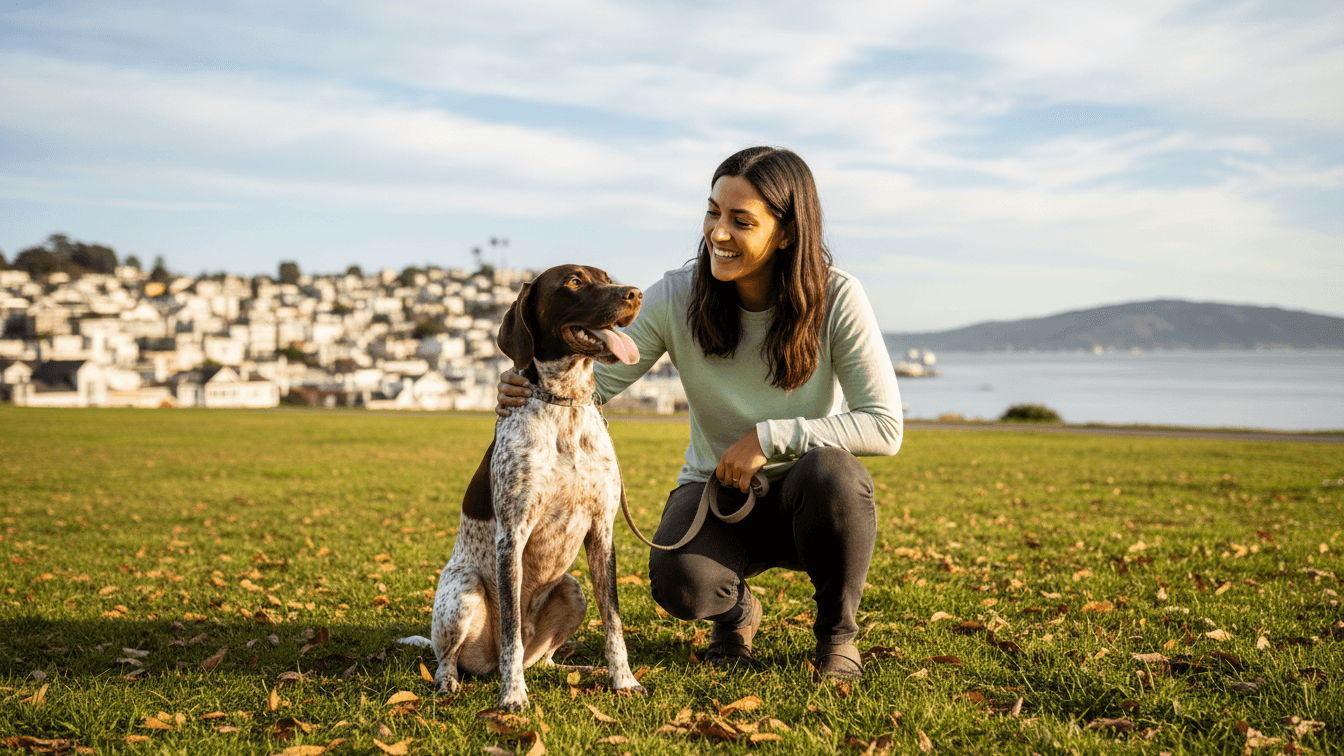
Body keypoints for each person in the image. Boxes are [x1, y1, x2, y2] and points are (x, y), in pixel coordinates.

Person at [497, 146, 902, 680]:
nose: (718, 233)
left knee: (837, 475)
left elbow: (884, 424)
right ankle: (737, 613)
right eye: (713, 212)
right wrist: (525, 382)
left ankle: (836, 637)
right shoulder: (678, 295)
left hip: (807, 494)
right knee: (678, 579)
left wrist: (767, 438)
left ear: (785, 232)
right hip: (717, 492)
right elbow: (596, 384)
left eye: (741, 221)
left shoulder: (838, 297)